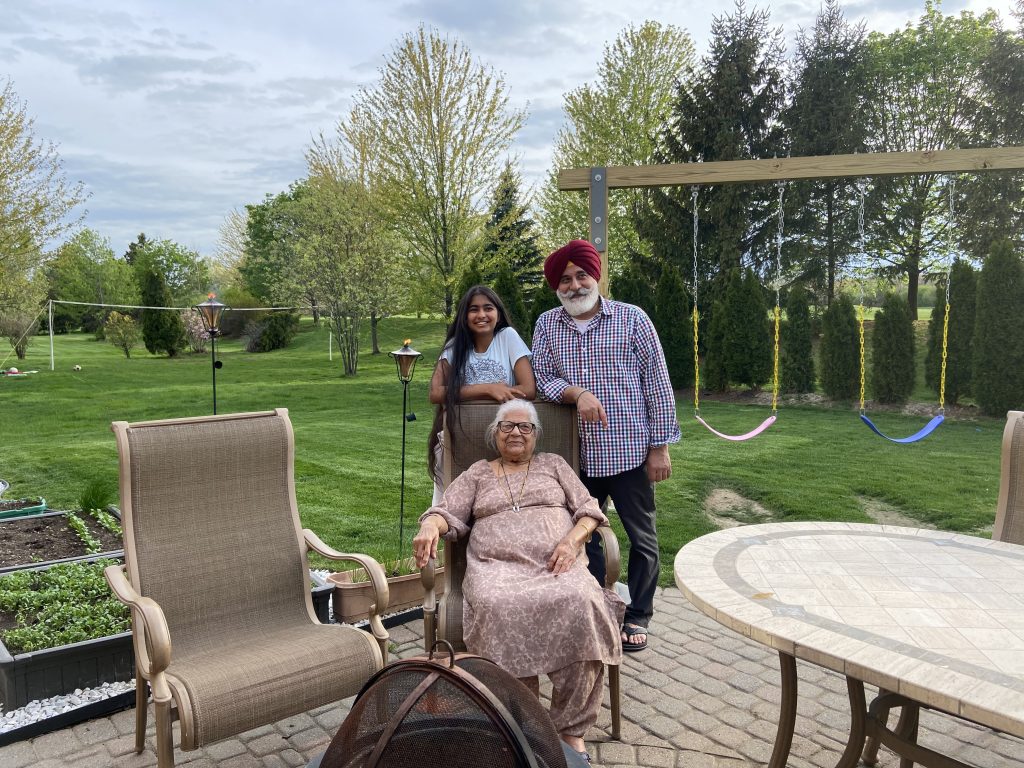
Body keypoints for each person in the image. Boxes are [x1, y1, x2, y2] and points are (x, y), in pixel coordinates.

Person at [413, 399, 624, 762]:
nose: (515, 433)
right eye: (507, 426)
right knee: (496, 605)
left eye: (525, 427)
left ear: (536, 435)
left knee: (583, 601)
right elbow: (446, 511)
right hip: (496, 570)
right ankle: (521, 725)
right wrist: (430, 525)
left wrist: (572, 542)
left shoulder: (554, 465)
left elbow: (590, 511)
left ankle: (570, 731)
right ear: (494, 434)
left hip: (557, 566)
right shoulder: (478, 473)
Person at [531, 239, 680, 653]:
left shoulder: (632, 319)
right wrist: (576, 393)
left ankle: (638, 615)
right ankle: (596, 605)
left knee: (642, 538)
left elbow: (657, 383)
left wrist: (660, 447)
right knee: (584, 536)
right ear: (556, 286)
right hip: (576, 456)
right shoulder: (547, 325)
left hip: (629, 451)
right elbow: (541, 377)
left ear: (595, 277)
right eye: (564, 280)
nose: (574, 285)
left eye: (581, 275)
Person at [427, 285, 535, 504]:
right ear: (464, 316)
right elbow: (435, 392)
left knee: (495, 500)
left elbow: (528, 388)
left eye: (488, 308)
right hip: (461, 434)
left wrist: (470, 394)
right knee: (455, 501)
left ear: (498, 314)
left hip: (502, 438)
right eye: (473, 309)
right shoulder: (455, 345)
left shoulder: (508, 337)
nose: (481, 315)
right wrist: (487, 388)